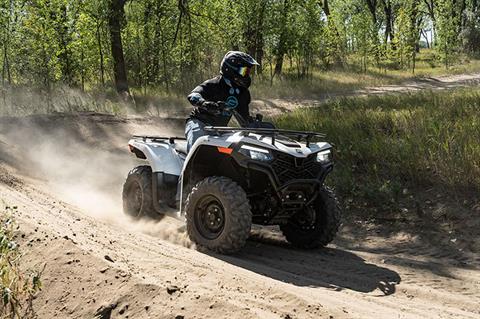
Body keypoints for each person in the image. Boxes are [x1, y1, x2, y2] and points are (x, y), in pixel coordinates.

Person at [185, 51, 259, 152]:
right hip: (199, 123)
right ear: (230, 69)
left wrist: (255, 125)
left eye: (248, 72)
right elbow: (193, 95)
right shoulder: (213, 84)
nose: (247, 75)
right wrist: (204, 104)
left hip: (220, 129)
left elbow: (244, 119)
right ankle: (190, 168)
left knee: (244, 147)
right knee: (197, 143)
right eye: (244, 71)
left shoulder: (243, 93)